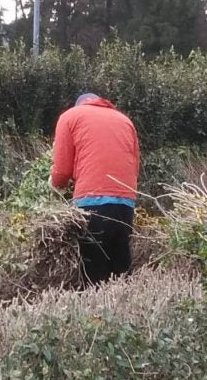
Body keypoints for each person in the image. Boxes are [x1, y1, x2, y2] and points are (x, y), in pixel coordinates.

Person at [51, 93, 141, 285]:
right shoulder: (125, 120)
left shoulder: (70, 116)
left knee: (94, 269)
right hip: (125, 200)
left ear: (79, 105)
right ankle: (126, 306)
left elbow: (62, 169)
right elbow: (135, 164)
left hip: (91, 200)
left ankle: (95, 310)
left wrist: (55, 184)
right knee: (120, 265)